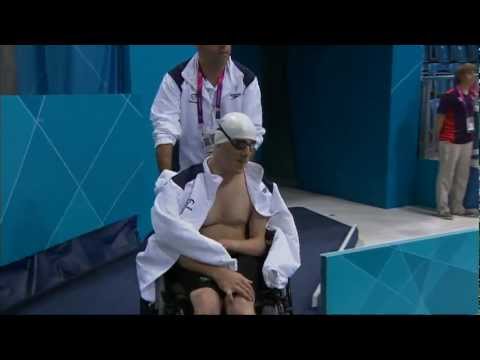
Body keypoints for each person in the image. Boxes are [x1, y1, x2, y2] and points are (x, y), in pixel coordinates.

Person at [136, 113, 300, 315]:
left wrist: (226, 245)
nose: (246, 153)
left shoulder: (258, 188)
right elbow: (175, 246)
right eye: (240, 144)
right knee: (207, 303)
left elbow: (259, 244)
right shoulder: (183, 186)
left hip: (243, 259)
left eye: (251, 145)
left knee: (240, 306)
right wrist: (218, 273)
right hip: (197, 261)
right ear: (219, 144)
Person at [151, 45, 265, 172]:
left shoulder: (247, 81)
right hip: (188, 178)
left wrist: (237, 180)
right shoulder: (175, 80)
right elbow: (164, 132)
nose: (224, 45)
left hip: (230, 176)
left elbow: (253, 133)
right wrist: (167, 182)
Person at [435, 63, 479, 219]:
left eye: (474, 73)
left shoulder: (471, 95)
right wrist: (437, 137)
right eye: (469, 73)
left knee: (462, 176)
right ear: (461, 76)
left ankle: (457, 206)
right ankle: (443, 208)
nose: (473, 76)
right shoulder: (450, 95)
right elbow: (440, 118)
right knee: (446, 175)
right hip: (450, 140)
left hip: (466, 140)